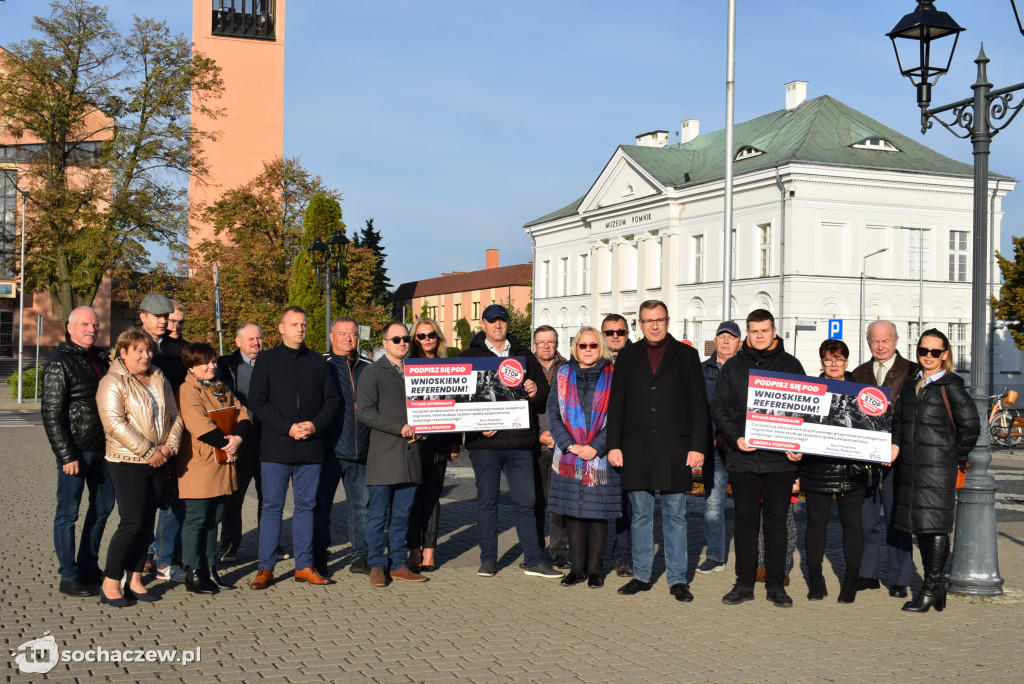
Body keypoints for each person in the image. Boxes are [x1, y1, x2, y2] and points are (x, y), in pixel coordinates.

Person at [607, 300, 708, 602]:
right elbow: (617, 403)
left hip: (675, 448)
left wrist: (697, 447)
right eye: (648, 321)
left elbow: (698, 405)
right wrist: (613, 444)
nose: (654, 325)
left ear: (667, 321)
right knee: (640, 515)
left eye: (659, 320)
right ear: (639, 324)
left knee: (676, 515)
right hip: (635, 447)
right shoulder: (627, 356)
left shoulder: (687, 355)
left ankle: (678, 579)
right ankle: (641, 575)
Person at [710, 309, 804, 608]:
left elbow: (806, 409)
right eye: (754, 331)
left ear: (774, 331)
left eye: (765, 330)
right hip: (744, 458)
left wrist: (799, 444)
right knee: (746, 523)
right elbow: (720, 407)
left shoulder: (791, 366)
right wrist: (736, 436)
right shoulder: (734, 367)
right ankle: (744, 583)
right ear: (747, 333)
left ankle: (776, 585)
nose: (760, 336)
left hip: (780, 461)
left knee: (776, 523)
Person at [460, 304, 560, 579]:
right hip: (486, 444)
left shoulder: (522, 355)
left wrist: (535, 389)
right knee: (487, 501)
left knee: (526, 501)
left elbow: (545, 394)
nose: (497, 326)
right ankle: (488, 559)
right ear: (483, 325)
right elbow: (460, 400)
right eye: (492, 322)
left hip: (519, 442)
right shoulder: (469, 355)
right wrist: (479, 427)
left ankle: (533, 559)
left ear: (507, 324)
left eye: (501, 321)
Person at [247, 306, 340, 590]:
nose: (300, 329)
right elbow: (258, 402)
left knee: (306, 508)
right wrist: (288, 426)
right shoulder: (266, 360)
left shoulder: (319, 362)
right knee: (272, 507)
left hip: (311, 448)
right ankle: (266, 568)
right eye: (294, 324)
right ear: (281, 328)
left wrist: (314, 425)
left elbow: (333, 401)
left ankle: (304, 565)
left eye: (304, 324)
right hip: (276, 446)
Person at [892, 329, 979, 613]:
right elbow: (898, 422)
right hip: (911, 467)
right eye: (923, 351)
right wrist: (895, 445)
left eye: (935, 352)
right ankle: (936, 586)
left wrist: (956, 455)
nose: (929, 356)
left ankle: (930, 588)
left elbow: (971, 426)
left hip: (939, 467)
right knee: (922, 527)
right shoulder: (911, 384)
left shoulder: (949, 385)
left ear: (945, 354)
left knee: (937, 526)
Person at [95, 329, 183, 606]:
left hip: (160, 460)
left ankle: (134, 579)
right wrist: (149, 451)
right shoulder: (112, 382)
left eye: (148, 350)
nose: (146, 356)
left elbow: (175, 415)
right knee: (131, 523)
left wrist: (169, 448)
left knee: (147, 524)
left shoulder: (159, 377)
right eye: (139, 351)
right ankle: (110, 583)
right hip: (128, 462)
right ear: (124, 353)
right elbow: (114, 423)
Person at [42, 306, 114, 597]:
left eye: (95, 325)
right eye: (85, 324)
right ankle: (68, 576)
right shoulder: (60, 363)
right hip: (77, 452)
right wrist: (65, 455)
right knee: (68, 513)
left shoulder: (100, 359)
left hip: (106, 451)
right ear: (70, 328)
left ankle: (87, 566)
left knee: (102, 509)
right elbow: (51, 413)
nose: (91, 329)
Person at [796, 339, 869, 603]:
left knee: (852, 524)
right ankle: (816, 580)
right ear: (822, 362)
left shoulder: (861, 392)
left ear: (847, 362)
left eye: (839, 359)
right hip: (817, 467)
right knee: (816, 524)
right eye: (828, 360)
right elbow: (799, 426)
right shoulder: (810, 391)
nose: (834, 364)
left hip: (852, 469)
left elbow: (871, 426)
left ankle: (850, 581)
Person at [545, 327, 618, 588]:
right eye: (583, 346)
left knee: (597, 515)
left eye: (593, 345)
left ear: (602, 348)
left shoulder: (614, 376)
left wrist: (596, 447)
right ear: (576, 348)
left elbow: (621, 418)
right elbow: (552, 413)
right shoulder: (563, 374)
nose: (588, 350)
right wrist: (570, 445)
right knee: (573, 514)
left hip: (601, 457)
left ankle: (596, 570)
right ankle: (577, 570)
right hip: (569, 458)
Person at [177, 342, 252, 595]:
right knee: (197, 518)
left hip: (223, 461)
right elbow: (198, 424)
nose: (212, 366)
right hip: (201, 464)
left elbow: (243, 413)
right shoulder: (188, 389)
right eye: (205, 362)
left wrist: (238, 438)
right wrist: (227, 444)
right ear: (192, 365)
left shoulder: (220, 387)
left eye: (213, 361)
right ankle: (193, 572)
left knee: (214, 519)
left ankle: (210, 569)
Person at [358, 322, 426, 587]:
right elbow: (365, 411)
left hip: (411, 456)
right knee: (377, 515)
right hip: (384, 456)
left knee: (401, 516)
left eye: (405, 338)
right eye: (395, 339)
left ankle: (398, 564)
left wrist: (426, 430)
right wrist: (399, 428)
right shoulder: (373, 372)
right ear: (384, 342)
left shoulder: (417, 371)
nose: (401, 342)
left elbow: (433, 407)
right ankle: (377, 564)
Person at [852, 320, 917, 598]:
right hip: (864, 458)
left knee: (897, 520)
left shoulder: (912, 372)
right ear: (868, 342)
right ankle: (867, 574)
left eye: (886, 340)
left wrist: (898, 444)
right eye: (875, 341)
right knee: (865, 519)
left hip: (897, 456)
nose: (880, 346)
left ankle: (899, 578)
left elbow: (913, 416)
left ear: (896, 341)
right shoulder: (857, 373)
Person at [137, 292, 188, 583]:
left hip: (173, 435)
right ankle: (139, 557)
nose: (166, 322)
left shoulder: (177, 349)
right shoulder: (132, 345)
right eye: (160, 316)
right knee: (141, 506)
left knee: (172, 500)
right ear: (143, 316)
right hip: (141, 440)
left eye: (167, 317)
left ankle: (165, 560)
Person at [316, 317, 372, 577]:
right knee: (321, 506)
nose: (349, 338)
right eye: (343, 333)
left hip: (361, 450)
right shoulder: (319, 365)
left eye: (352, 334)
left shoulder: (369, 367)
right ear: (332, 336)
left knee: (360, 507)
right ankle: (319, 554)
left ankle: (360, 555)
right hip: (328, 451)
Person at [216, 322, 276, 563]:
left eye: (259, 338)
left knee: (270, 497)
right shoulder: (226, 366)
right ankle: (230, 544)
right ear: (238, 341)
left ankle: (269, 542)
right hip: (241, 441)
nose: (256, 343)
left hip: (269, 440)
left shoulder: (271, 364)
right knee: (235, 496)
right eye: (250, 339)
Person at [405, 317, 460, 573]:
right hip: (412, 443)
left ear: (438, 338)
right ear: (414, 339)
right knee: (412, 499)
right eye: (421, 335)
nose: (427, 340)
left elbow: (456, 406)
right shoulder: (406, 366)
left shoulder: (448, 365)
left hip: (439, 442)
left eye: (431, 335)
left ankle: (429, 551)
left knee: (433, 499)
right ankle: (413, 549)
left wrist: (455, 443)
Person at [697, 320, 741, 574]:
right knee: (713, 503)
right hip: (713, 446)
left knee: (747, 503)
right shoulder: (702, 371)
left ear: (739, 342)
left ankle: (755, 557)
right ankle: (715, 555)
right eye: (721, 337)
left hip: (741, 447)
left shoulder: (746, 369)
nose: (725, 341)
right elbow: (698, 408)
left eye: (731, 337)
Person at [533, 324, 570, 568]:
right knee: (534, 501)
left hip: (561, 445)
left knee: (558, 503)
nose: (546, 346)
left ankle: (560, 552)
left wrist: (560, 436)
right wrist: (538, 435)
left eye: (551, 342)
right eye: (541, 342)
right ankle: (535, 551)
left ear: (557, 344)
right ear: (534, 346)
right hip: (533, 444)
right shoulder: (524, 368)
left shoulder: (568, 369)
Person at [601, 313, 633, 578]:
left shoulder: (638, 359)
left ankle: (623, 555)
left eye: (619, 332)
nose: (614, 336)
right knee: (597, 501)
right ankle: (593, 555)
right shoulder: (592, 358)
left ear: (627, 333)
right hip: (596, 442)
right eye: (609, 332)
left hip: (629, 442)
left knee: (626, 504)